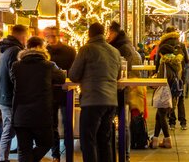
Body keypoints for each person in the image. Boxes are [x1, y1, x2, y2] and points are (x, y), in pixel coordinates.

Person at [68, 23, 122, 162]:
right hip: (111, 101)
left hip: (92, 100)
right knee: (105, 140)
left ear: (89, 34)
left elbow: (73, 75)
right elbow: (118, 76)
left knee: (88, 140)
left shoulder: (86, 49)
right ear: (103, 33)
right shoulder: (114, 51)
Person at [11, 36, 67, 162]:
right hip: (41, 114)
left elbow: (11, 82)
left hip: (20, 114)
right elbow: (61, 78)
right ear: (41, 48)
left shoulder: (16, 65)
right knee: (46, 143)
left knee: (23, 149)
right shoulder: (49, 65)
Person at [0, 24, 28, 162]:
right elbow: (15, 75)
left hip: (3, 94)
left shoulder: (6, 49)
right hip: (9, 96)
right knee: (10, 129)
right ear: (22, 36)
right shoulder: (15, 51)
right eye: (26, 36)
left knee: (9, 128)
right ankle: (3, 158)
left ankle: (3, 157)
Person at [43, 26, 75, 158]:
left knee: (67, 123)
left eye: (54, 35)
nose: (52, 38)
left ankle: (68, 151)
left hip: (65, 91)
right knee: (52, 124)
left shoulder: (69, 51)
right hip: (50, 92)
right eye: (49, 35)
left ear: (58, 35)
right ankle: (55, 154)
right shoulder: (44, 52)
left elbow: (74, 71)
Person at [151, 36, 183, 149]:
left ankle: (167, 140)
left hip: (165, 92)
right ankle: (155, 140)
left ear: (161, 54)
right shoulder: (175, 63)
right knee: (159, 115)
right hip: (172, 93)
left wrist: (154, 78)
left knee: (162, 116)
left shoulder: (164, 63)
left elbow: (162, 79)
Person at [154, 26, 189, 129]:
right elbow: (187, 60)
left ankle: (172, 122)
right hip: (179, 75)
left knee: (169, 97)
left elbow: (157, 61)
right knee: (180, 98)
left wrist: (156, 73)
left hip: (166, 76)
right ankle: (183, 122)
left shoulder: (162, 45)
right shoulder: (181, 45)